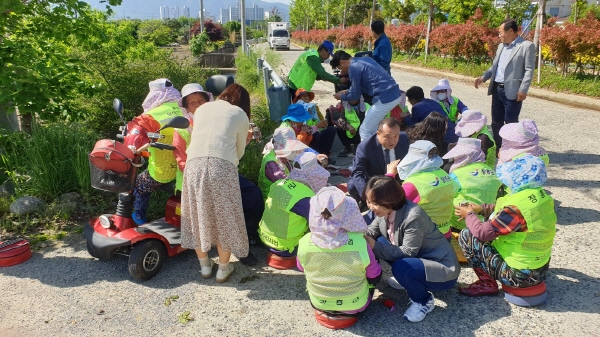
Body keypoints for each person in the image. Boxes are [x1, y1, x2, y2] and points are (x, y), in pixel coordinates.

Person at [180, 83, 255, 282]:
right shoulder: (240, 114)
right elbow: (238, 153)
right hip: (221, 166)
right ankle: (223, 269)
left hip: (193, 164)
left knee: (197, 214)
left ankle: (205, 267)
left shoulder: (202, 109)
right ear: (243, 103)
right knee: (225, 217)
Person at [454, 155, 555, 296]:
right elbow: (507, 213)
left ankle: (487, 283)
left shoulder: (515, 208)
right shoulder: (540, 196)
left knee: (468, 235)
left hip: (518, 276)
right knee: (487, 228)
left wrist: (469, 214)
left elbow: (482, 233)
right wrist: (482, 209)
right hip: (540, 270)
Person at [364, 176, 460, 322]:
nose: (370, 206)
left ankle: (423, 301)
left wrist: (373, 245)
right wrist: (358, 236)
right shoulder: (386, 211)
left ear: (389, 200)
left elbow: (408, 252)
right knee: (379, 240)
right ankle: (409, 280)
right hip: (419, 259)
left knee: (401, 267)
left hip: (442, 267)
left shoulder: (413, 215)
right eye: (369, 201)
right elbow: (372, 231)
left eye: (374, 203)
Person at [297, 187, 382, 328]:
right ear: (350, 214)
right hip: (355, 304)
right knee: (372, 266)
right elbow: (375, 277)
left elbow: (302, 268)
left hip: (319, 302)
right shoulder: (361, 242)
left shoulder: (304, 242)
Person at [125, 78, 184, 225]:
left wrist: (130, 146)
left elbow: (133, 135)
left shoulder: (150, 116)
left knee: (139, 184)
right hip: (186, 168)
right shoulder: (186, 109)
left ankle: (139, 217)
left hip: (164, 171)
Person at [259, 152, 330, 269]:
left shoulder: (279, 183)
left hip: (265, 239)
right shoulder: (305, 197)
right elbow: (320, 224)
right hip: (286, 246)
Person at [474, 18, 536, 149]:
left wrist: (523, 89)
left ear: (511, 31)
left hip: (513, 91)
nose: (499, 35)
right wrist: (483, 77)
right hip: (497, 88)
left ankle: (511, 148)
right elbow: (494, 67)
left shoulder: (526, 46)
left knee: (511, 123)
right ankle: (499, 147)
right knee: (496, 123)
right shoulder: (501, 46)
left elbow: (529, 70)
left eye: (501, 32)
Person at [331, 50, 402, 141]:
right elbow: (364, 86)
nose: (344, 72)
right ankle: (378, 149)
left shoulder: (353, 67)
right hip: (393, 94)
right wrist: (349, 91)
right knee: (371, 124)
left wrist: (341, 97)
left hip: (385, 98)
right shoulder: (365, 59)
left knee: (364, 130)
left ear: (342, 62)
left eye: (341, 69)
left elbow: (355, 96)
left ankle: (367, 154)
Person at [394, 140, 457, 240]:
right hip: (445, 233)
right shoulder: (444, 175)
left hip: (424, 238)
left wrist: (390, 176)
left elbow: (391, 204)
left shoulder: (413, 183)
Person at [442, 138, 502, 231]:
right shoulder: (492, 172)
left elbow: (446, 196)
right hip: (486, 222)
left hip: (460, 223)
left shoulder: (457, 174)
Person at [348, 118, 409, 207]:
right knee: (352, 185)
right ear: (378, 134)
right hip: (374, 181)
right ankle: (365, 202)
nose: (392, 141)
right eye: (387, 137)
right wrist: (368, 195)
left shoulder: (404, 138)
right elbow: (357, 172)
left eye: (396, 136)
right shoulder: (365, 147)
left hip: (397, 179)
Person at [172, 83, 213, 195]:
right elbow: (181, 162)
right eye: (192, 103)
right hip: (191, 182)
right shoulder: (182, 129)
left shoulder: (215, 124)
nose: (198, 105)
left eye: (201, 101)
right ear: (186, 108)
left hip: (214, 177)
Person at [258, 126, 311, 200]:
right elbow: (284, 183)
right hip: (272, 200)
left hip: (284, 194)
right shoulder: (271, 162)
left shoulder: (283, 156)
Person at [405, 86, 458, 154]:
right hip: (454, 134)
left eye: (409, 101)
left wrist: (406, 117)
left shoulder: (416, 107)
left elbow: (412, 125)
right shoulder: (433, 102)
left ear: (413, 100)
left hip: (442, 139)